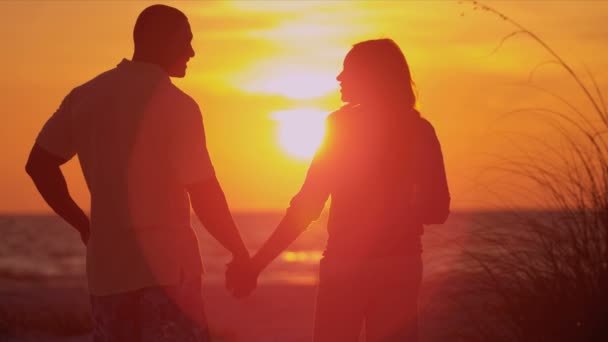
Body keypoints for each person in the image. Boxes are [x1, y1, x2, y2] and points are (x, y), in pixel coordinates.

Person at [25, 5, 250, 341]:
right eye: (185, 41)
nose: (192, 51)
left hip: (107, 271)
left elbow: (39, 165)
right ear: (158, 41)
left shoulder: (85, 96)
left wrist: (83, 225)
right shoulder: (178, 105)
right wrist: (239, 252)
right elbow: (203, 192)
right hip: (168, 270)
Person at [227, 39, 450, 341]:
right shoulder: (420, 130)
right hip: (401, 265)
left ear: (371, 77)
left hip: (346, 266)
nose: (339, 78)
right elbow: (438, 210)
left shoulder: (341, 127)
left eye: (348, 71)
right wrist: (400, 210)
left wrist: (256, 266)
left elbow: (306, 207)